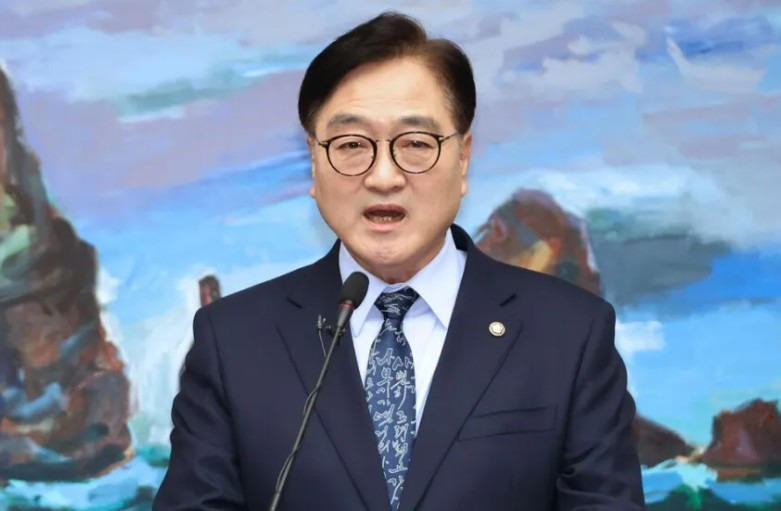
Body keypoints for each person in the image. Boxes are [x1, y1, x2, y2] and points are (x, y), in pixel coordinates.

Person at [155, 11, 645, 511]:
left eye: (415, 144)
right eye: (351, 145)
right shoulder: (232, 341)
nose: (384, 177)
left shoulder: (569, 334)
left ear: (463, 158)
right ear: (314, 161)